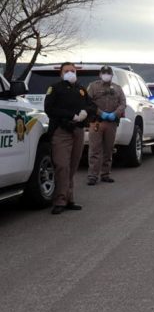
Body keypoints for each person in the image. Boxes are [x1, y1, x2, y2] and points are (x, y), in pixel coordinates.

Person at [44, 62, 96, 214]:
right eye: (67, 71)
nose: (70, 73)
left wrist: (86, 112)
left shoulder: (81, 89)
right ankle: (60, 200)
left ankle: (69, 198)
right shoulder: (55, 88)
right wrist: (70, 115)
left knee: (73, 165)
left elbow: (91, 105)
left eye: (73, 71)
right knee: (62, 165)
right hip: (61, 130)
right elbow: (49, 108)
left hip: (78, 130)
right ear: (61, 73)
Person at [86, 66, 126, 185]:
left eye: (108, 73)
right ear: (100, 74)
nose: (106, 75)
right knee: (94, 149)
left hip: (111, 123)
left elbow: (123, 103)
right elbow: (88, 102)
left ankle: (105, 174)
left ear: (112, 75)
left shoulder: (118, 88)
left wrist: (115, 113)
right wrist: (100, 113)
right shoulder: (93, 86)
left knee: (108, 149)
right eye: (104, 73)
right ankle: (93, 176)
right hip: (97, 122)